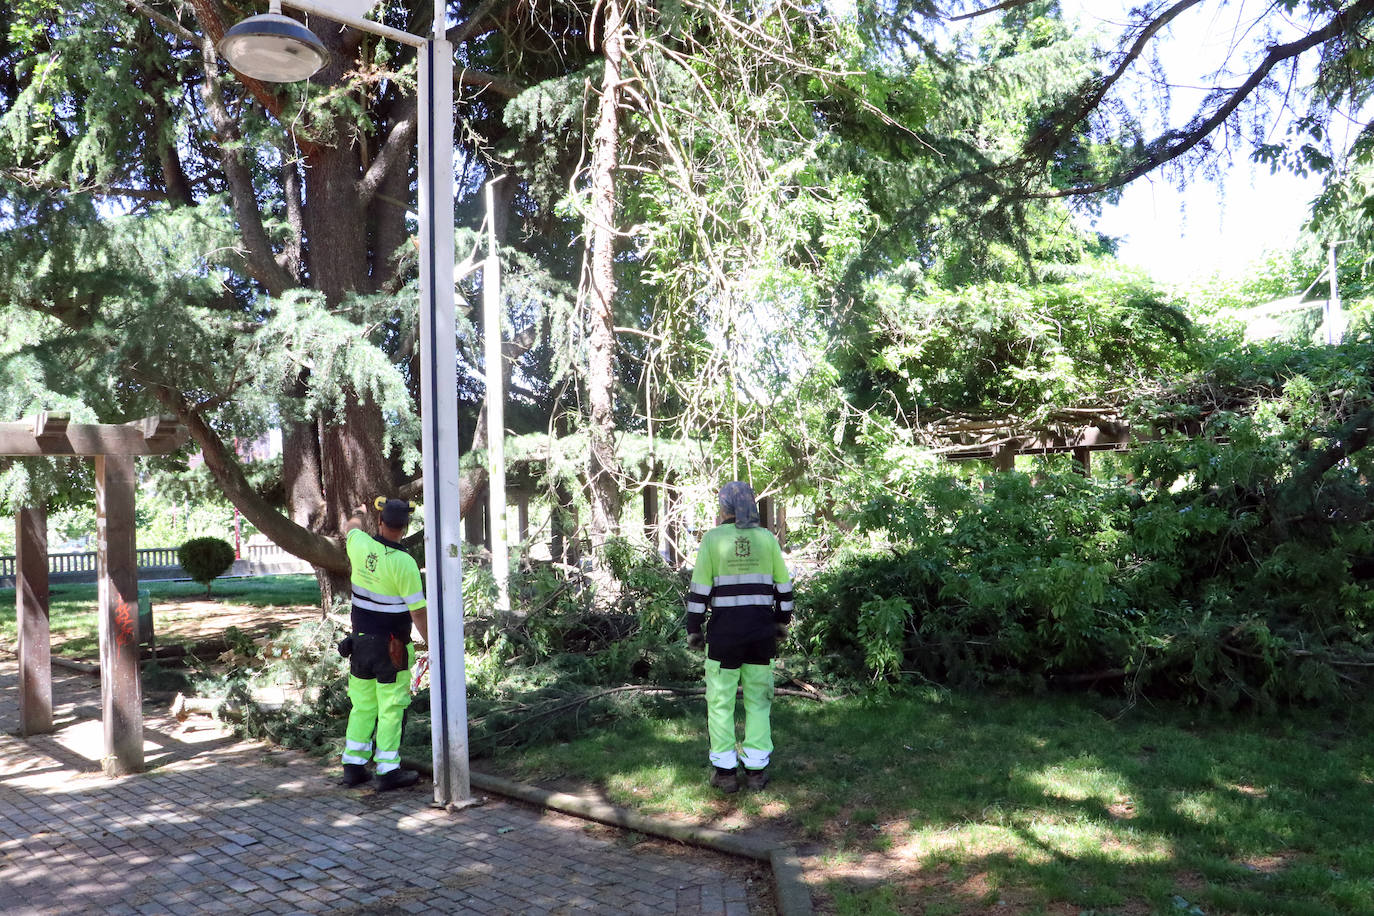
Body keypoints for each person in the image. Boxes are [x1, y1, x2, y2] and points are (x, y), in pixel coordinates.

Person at [685, 481, 794, 793]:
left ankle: (725, 773)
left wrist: (694, 628)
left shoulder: (712, 539)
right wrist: (781, 622)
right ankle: (757, 772)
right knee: (759, 701)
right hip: (760, 636)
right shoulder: (766, 539)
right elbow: (784, 589)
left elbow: (699, 592)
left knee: (720, 702)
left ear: (725, 507)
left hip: (723, 638)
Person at [337, 497, 428, 791]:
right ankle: (388, 771)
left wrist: (359, 511)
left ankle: (353, 766)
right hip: (392, 649)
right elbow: (417, 611)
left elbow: (349, 527)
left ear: (380, 522)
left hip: (359, 644)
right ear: (405, 527)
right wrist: (433, 644)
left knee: (362, 705)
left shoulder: (360, 545)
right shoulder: (405, 563)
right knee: (391, 707)